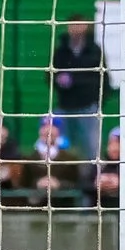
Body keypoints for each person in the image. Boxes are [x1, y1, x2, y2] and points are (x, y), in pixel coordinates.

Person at [49, 15, 107, 160]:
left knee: (91, 148)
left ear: (86, 26)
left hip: (88, 106)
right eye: (72, 24)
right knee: (63, 147)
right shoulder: (60, 50)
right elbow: (49, 76)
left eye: (79, 24)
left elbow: (102, 78)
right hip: (65, 106)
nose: (75, 28)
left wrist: (97, 102)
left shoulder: (94, 50)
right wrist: (58, 80)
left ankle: (91, 180)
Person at [24, 114, 78, 205]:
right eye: (44, 126)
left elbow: (77, 183)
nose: (48, 130)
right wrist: (38, 183)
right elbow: (22, 184)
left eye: (53, 127)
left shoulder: (71, 157)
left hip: (62, 208)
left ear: (59, 131)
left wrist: (59, 184)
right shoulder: (29, 157)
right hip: (35, 208)